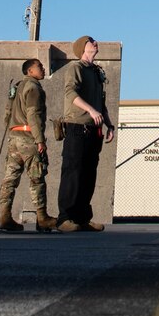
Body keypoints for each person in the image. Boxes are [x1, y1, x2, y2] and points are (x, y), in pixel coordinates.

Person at [55, 34, 114, 232]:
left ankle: (82, 218)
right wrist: (90, 110)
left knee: (89, 174)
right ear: (83, 48)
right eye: (91, 41)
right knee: (73, 172)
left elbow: (101, 102)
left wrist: (109, 124)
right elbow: (70, 94)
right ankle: (65, 218)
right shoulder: (76, 68)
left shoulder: (96, 72)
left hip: (94, 130)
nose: (96, 43)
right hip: (77, 127)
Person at [0, 56, 57, 233]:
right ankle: (42, 217)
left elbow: (7, 113)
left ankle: (4, 216)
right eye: (39, 67)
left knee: (10, 178)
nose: (43, 69)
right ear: (30, 71)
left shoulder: (16, 87)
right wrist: (39, 140)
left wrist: (10, 132)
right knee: (37, 178)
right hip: (28, 138)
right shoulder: (33, 88)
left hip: (14, 137)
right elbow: (33, 115)